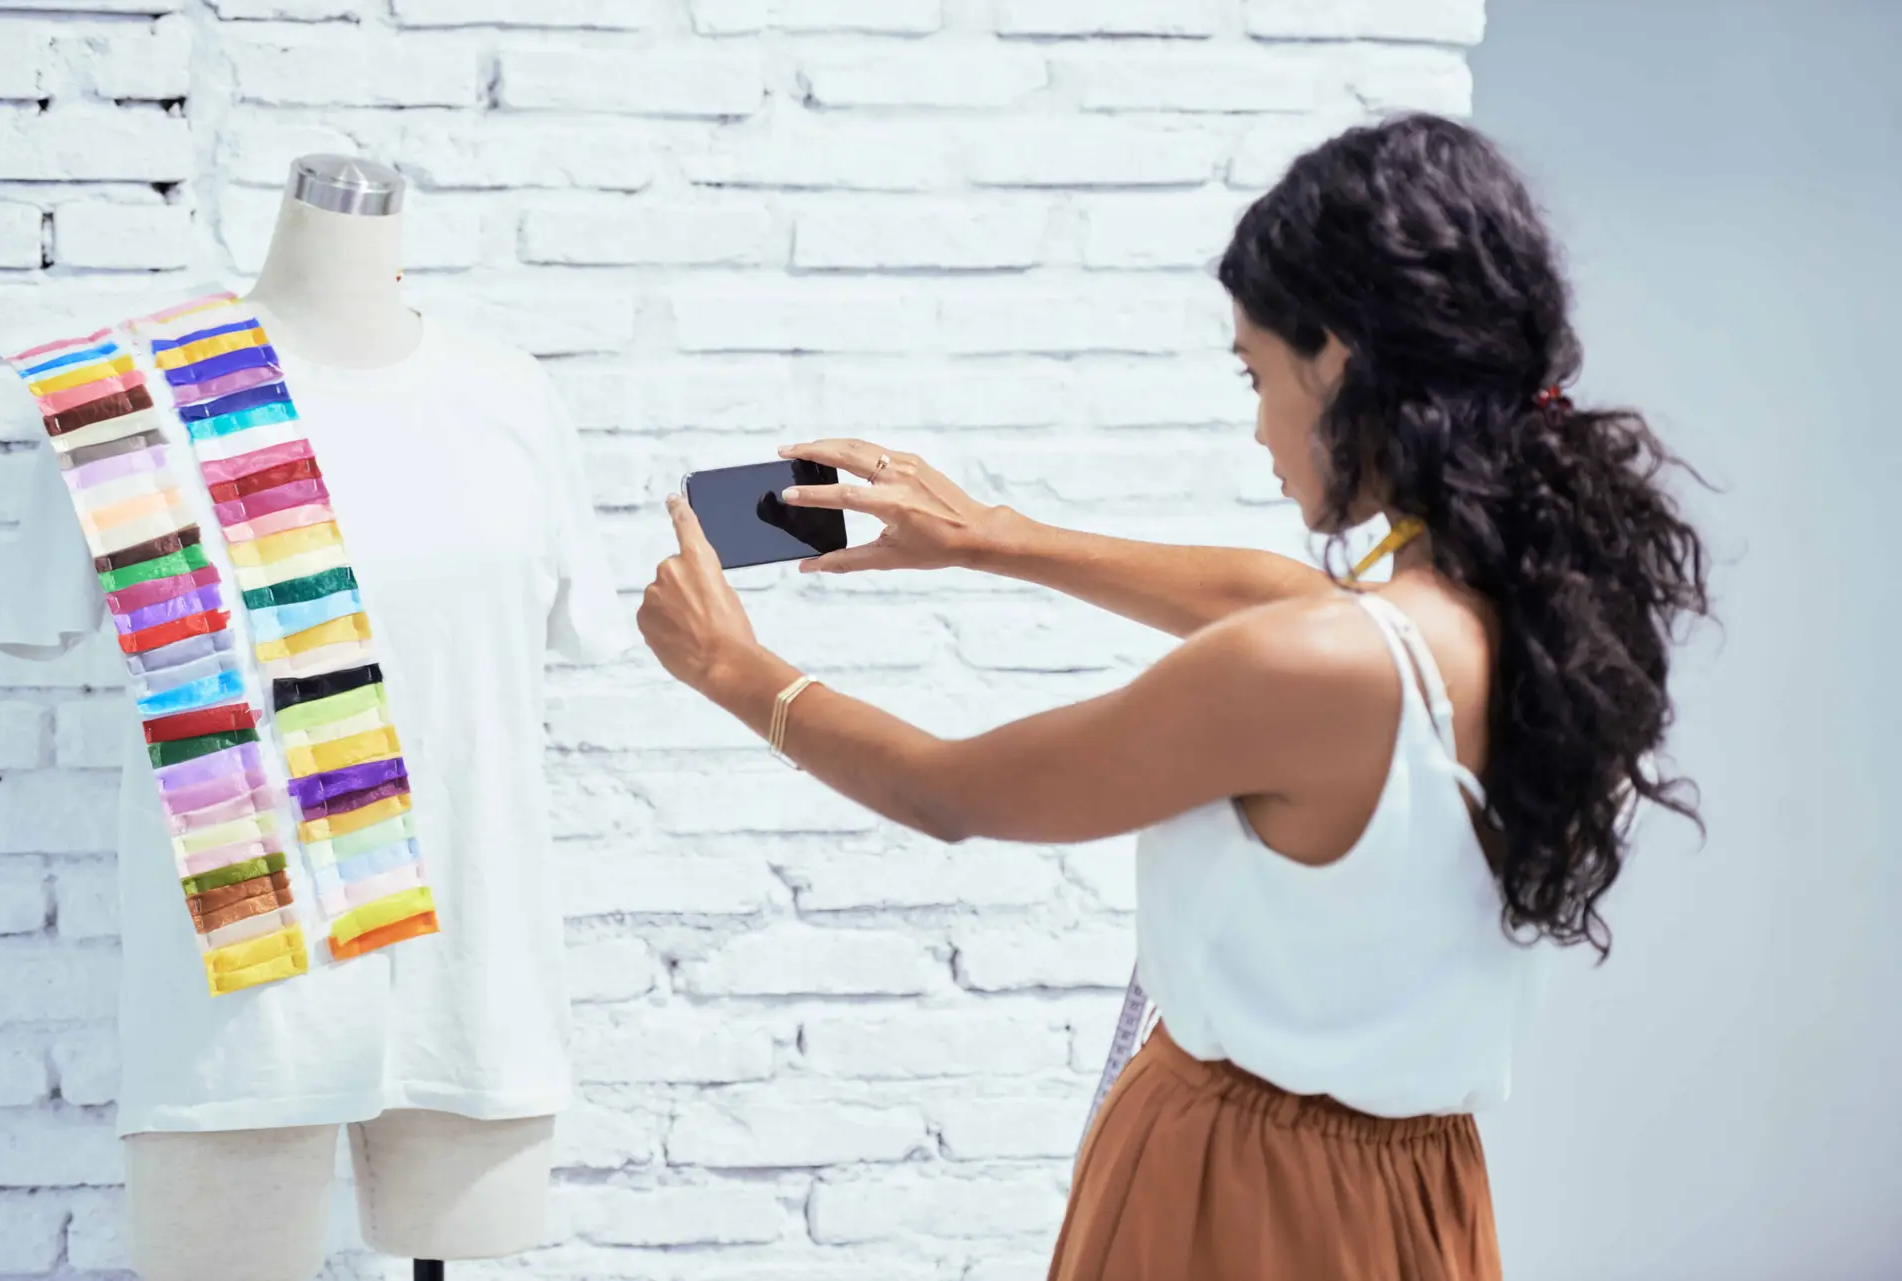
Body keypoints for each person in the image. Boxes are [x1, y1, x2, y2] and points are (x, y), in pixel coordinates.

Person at [636, 113, 1711, 1280]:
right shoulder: (1519, 614)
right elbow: (1281, 600)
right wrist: (999, 540)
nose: (1256, 424)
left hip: (1243, 1193)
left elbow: (949, 793)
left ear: (1339, 358)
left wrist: (731, 670)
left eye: (1257, 374)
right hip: (1417, 1190)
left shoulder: (1321, 668)